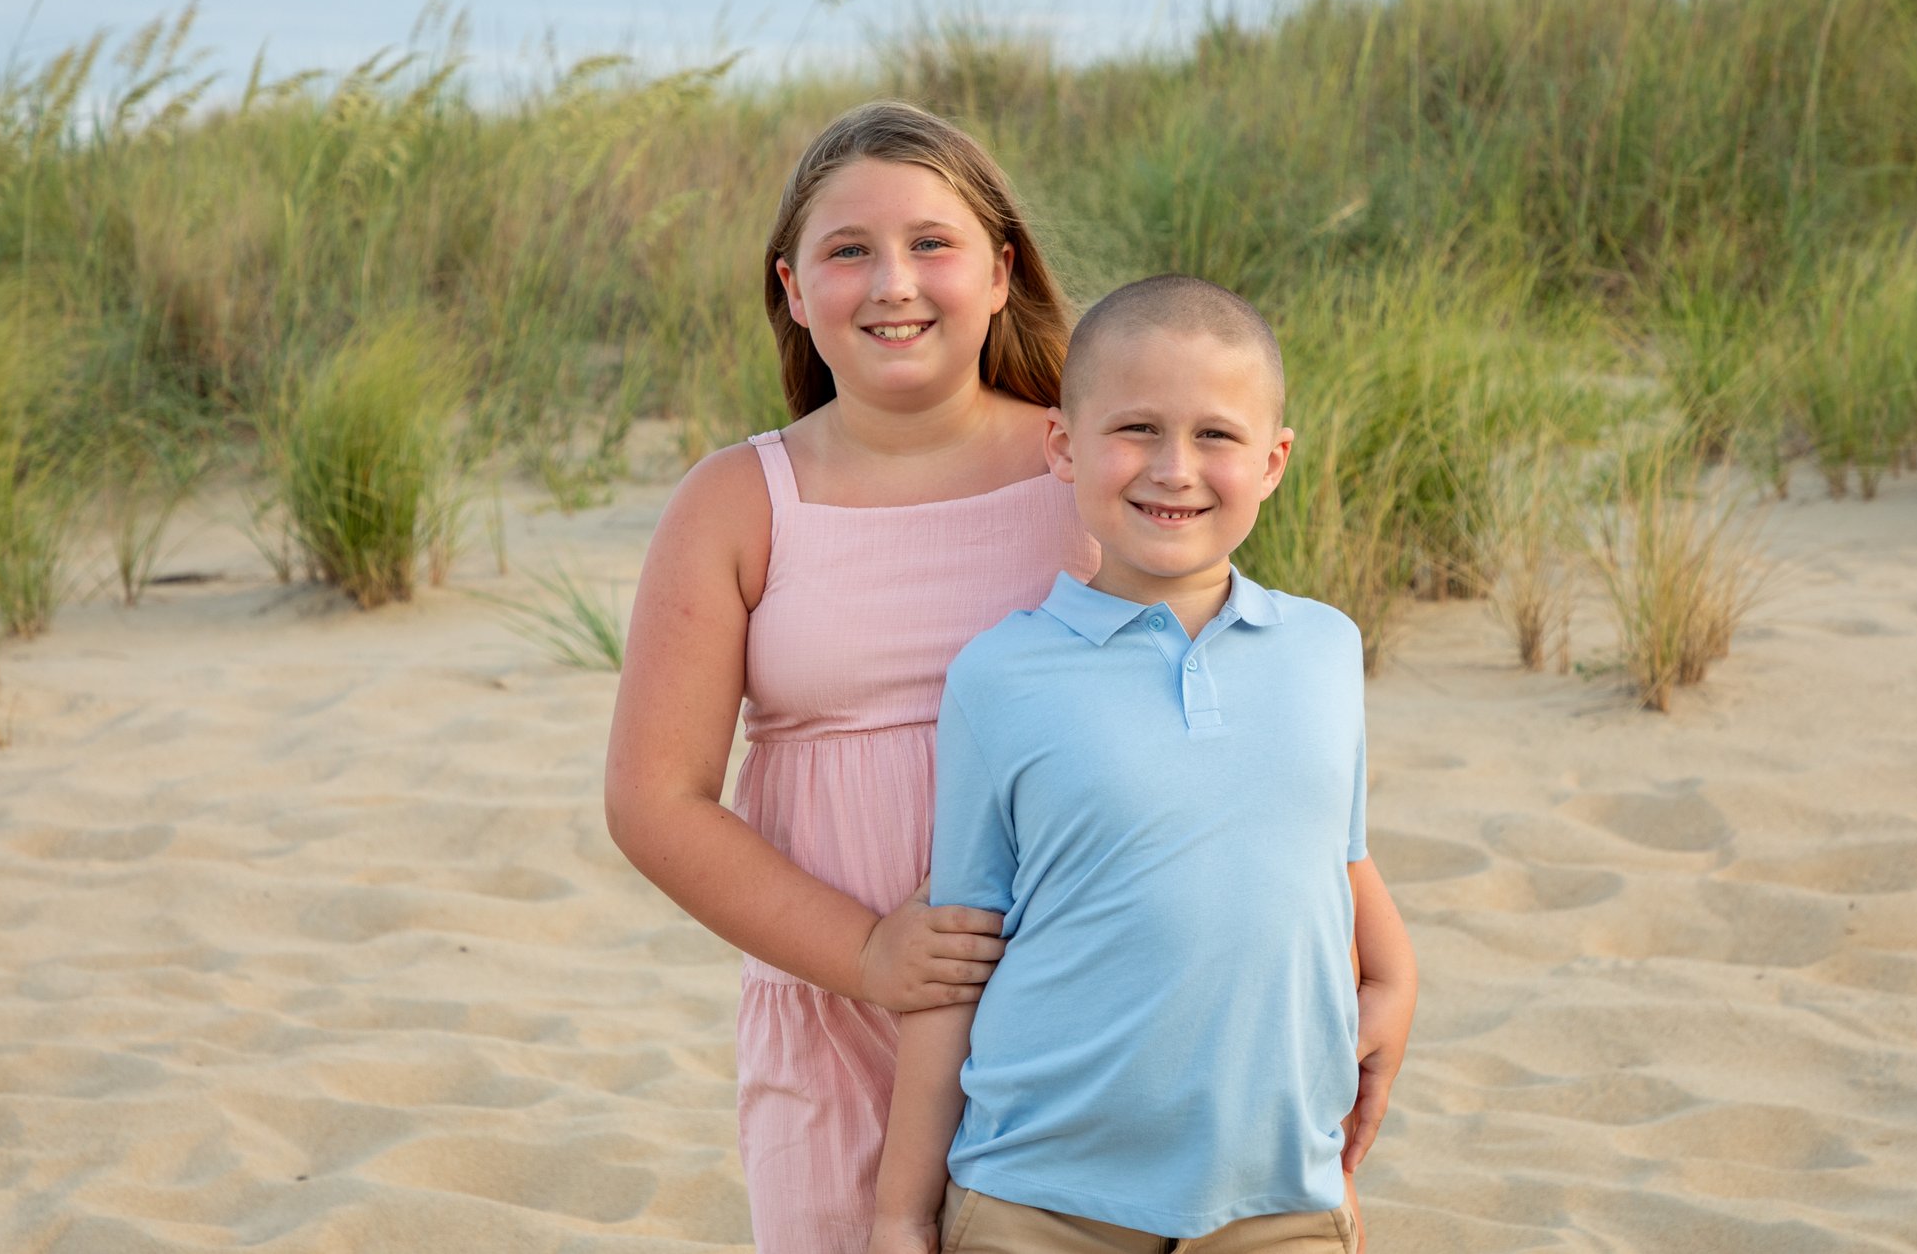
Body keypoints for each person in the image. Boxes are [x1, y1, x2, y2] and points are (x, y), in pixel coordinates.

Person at [604, 101, 1410, 1252]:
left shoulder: (1096, 460)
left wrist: (1385, 951)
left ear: (1000, 269)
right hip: (838, 986)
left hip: (1090, 1001)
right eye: (847, 250)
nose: (893, 282)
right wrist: (869, 954)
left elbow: (1249, 739)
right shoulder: (740, 499)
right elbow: (652, 798)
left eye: (932, 243)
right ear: (791, 287)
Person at [867, 275, 1418, 1254]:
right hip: (1039, 1195)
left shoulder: (1325, 649)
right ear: (1064, 447)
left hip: (1278, 1199)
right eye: (1135, 429)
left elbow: (1331, 864)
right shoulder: (1000, 673)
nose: (1175, 468)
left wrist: (1394, 979)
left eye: (1215, 435)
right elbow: (955, 955)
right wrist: (898, 1213)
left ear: (1274, 458)